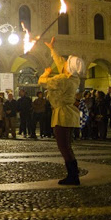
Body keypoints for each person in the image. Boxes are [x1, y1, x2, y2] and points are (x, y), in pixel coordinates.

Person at [38, 37, 85, 185]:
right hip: (68, 113)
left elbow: (41, 81)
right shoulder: (72, 78)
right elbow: (60, 62)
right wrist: (52, 49)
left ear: (68, 69)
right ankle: (73, 173)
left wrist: (46, 72)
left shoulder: (62, 79)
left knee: (63, 146)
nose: (63, 63)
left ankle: (73, 176)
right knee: (66, 145)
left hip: (62, 114)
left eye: (66, 64)